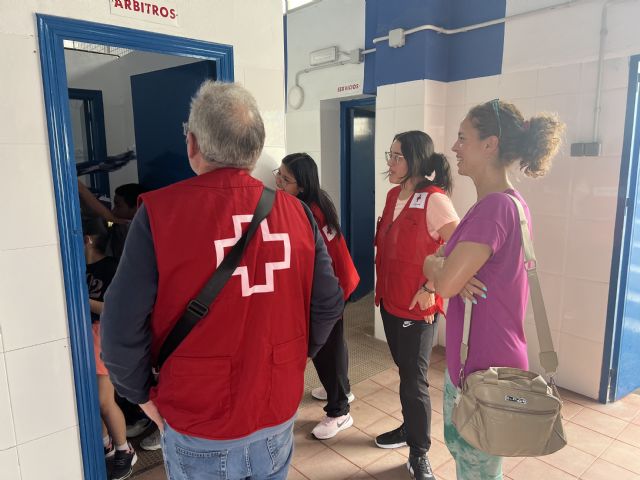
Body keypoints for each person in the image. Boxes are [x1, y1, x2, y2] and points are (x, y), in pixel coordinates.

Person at [100, 81, 344, 480]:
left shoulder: (160, 214)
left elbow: (119, 326)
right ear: (255, 147)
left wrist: (141, 395)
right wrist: (292, 357)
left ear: (192, 144)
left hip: (197, 419)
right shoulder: (297, 214)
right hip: (275, 411)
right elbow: (330, 302)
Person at [423, 99, 564, 479]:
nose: (454, 148)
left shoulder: (493, 209)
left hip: (483, 369)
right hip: (485, 360)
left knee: (477, 470)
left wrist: (433, 265)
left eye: (462, 138)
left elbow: (447, 281)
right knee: (473, 462)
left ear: (491, 144)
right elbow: (446, 269)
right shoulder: (508, 205)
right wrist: (440, 266)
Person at [374, 131, 459, 480]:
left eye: (398, 157)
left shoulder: (435, 199)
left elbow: (459, 246)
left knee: (415, 380)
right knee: (405, 372)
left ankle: (419, 451)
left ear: (416, 160)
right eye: (389, 155)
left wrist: (431, 286)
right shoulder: (394, 194)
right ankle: (409, 428)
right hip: (389, 301)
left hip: (417, 306)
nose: (390, 164)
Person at [274, 153, 360, 440]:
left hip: (332, 289)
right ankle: (341, 388)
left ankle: (339, 411)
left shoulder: (307, 211)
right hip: (340, 282)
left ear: (301, 185)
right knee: (335, 344)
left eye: (285, 179)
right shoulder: (313, 201)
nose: (278, 181)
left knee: (326, 350)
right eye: (279, 174)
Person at [82, 216, 137, 480]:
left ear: (87, 240)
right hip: (85, 338)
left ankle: (124, 450)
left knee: (104, 401)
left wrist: (81, 299)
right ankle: (107, 446)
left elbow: (117, 310)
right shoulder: (78, 267)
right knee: (92, 401)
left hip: (102, 337)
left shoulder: (112, 268)